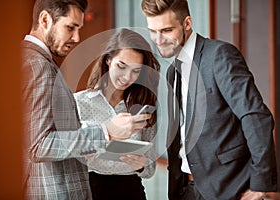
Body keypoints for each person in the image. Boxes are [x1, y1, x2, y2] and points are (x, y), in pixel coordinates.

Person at [141, 0, 278, 199]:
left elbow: (256, 116)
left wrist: (261, 184)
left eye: (167, 30)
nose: (158, 39)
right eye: (153, 31)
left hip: (227, 188)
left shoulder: (219, 55)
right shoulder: (172, 71)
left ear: (187, 23)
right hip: (185, 189)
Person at [21, 1, 150, 199]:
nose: (77, 37)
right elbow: (39, 146)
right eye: (70, 27)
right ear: (45, 19)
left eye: (78, 29)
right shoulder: (37, 65)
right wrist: (106, 132)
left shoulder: (41, 62)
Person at [74, 28, 160, 200]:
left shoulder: (143, 106)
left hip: (131, 190)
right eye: (122, 66)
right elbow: (67, 153)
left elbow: (150, 169)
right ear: (108, 60)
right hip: (91, 189)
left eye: (136, 71)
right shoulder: (79, 102)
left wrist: (142, 165)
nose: (127, 77)